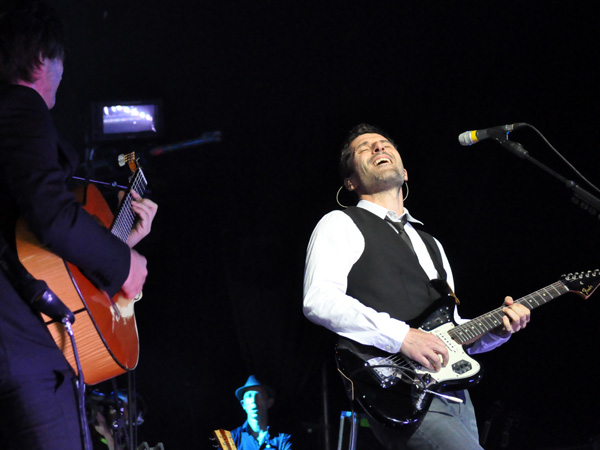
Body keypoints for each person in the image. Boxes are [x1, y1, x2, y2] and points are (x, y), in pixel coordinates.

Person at [302, 123, 531, 450]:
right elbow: (318, 299)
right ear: (350, 181)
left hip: (455, 393)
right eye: (364, 148)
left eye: (384, 143)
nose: (378, 148)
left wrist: (496, 331)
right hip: (397, 388)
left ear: (405, 173)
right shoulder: (339, 223)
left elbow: (450, 331)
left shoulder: (432, 244)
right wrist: (401, 336)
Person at [0, 1, 157, 449]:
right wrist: (123, 261)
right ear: (42, 59)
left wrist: (120, 241)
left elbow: (28, 243)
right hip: (22, 352)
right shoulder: (21, 106)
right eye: (61, 62)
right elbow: (51, 214)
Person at [230, 375, 292, 450]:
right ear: (243, 404)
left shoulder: (283, 437)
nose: (253, 401)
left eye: (259, 396)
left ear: (269, 402)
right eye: (249, 396)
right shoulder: (230, 438)